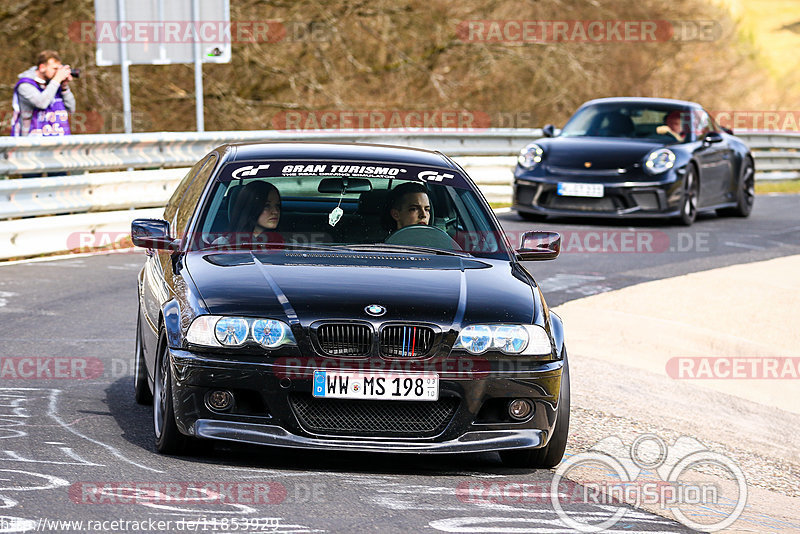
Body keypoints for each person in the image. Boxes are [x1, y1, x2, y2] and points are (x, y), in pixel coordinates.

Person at [11, 50, 76, 137]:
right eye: (54, 69)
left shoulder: (53, 85)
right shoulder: (25, 85)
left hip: (58, 141)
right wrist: (56, 80)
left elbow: (71, 109)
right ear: (42, 67)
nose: (57, 73)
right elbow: (42, 103)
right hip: (32, 143)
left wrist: (64, 87)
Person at [226, 181, 281, 245]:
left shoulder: (289, 243)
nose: (275, 211)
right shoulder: (223, 244)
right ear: (251, 208)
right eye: (266, 206)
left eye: (277, 205)